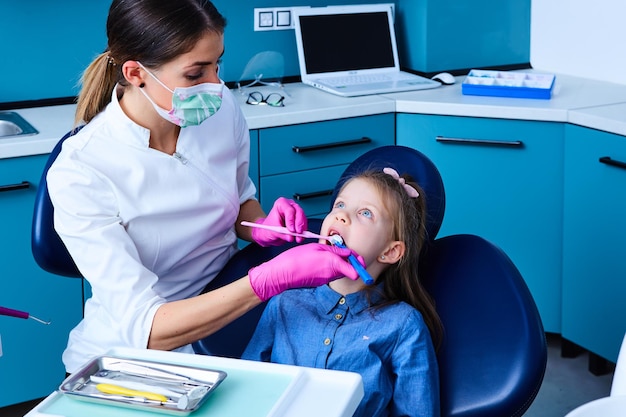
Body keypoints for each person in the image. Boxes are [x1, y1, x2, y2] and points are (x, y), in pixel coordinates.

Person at [47, 0, 360, 374]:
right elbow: (148, 329)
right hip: (134, 352)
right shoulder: (82, 169)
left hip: (228, 311)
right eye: (196, 74)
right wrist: (270, 279)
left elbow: (238, 202)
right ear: (135, 73)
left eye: (218, 64)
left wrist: (262, 225)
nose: (217, 84)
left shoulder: (220, 108)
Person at [242, 168, 444, 417]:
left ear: (390, 252)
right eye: (340, 204)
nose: (341, 216)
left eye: (365, 213)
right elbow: (245, 388)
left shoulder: (403, 325)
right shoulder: (284, 304)